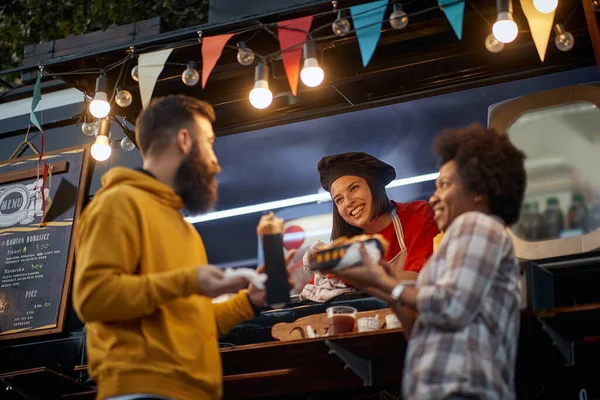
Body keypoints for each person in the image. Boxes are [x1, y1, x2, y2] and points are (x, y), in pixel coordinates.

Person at [73, 95, 287, 400]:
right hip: (141, 393)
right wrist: (190, 281)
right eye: (209, 142)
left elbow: (188, 325)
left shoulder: (184, 229)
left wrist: (249, 301)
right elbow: (93, 298)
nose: (216, 162)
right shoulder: (118, 203)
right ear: (184, 140)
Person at [335, 124, 527, 400]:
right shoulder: (454, 245)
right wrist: (382, 284)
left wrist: (389, 285)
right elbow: (417, 331)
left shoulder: (477, 225)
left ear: (479, 190)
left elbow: (450, 307)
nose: (434, 196)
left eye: (445, 185)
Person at [300, 152, 438, 302]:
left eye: (354, 188)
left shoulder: (416, 214)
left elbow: (417, 279)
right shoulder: (346, 247)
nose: (348, 202)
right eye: (339, 199)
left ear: (374, 186)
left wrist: (352, 275)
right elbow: (311, 295)